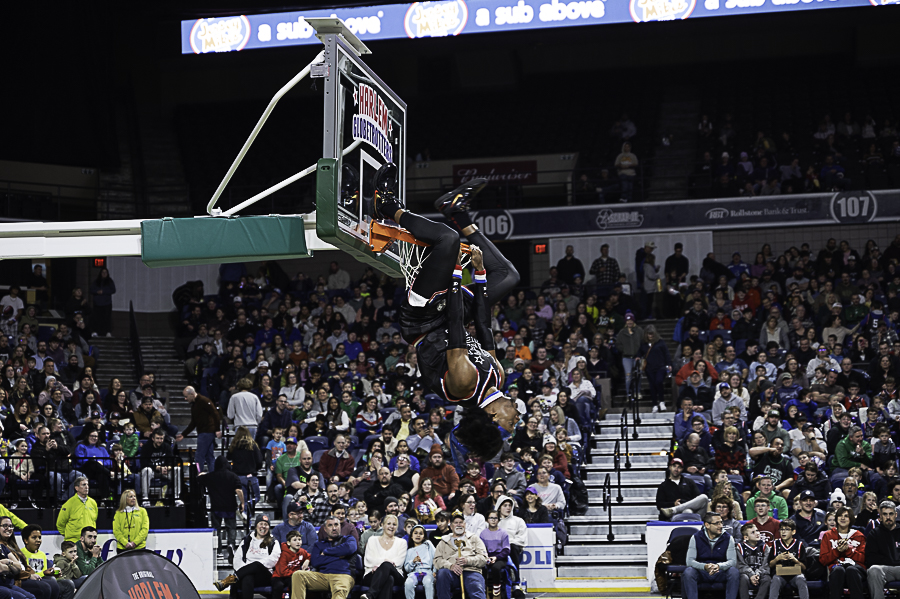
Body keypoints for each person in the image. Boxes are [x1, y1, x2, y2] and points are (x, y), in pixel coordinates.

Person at [375, 168, 522, 462]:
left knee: (447, 239)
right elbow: (483, 324)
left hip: (423, 320)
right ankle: (457, 211)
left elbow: (457, 325)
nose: (516, 418)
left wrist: (457, 273)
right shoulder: (498, 377)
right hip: (447, 317)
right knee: (507, 275)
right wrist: (479, 274)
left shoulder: (465, 384)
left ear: (493, 417)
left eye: (511, 422)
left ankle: (387, 206)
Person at [290, 516, 357, 599]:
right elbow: (315, 561)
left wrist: (326, 552)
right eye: (330, 525)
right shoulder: (319, 545)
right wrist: (339, 556)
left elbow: (349, 548)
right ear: (325, 529)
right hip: (322, 576)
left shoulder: (349, 539)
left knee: (339, 593)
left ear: (340, 526)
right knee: (298, 575)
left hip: (343, 575)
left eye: (336, 525)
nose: (334, 528)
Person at [215, 515, 281, 598]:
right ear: (256, 525)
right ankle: (236, 577)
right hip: (246, 575)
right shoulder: (247, 540)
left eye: (266, 524)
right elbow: (237, 558)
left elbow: (273, 560)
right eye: (261, 523)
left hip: (265, 575)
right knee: (248, 577)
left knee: (256, 565)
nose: (263, 526)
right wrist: (247, 569)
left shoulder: (273, 541)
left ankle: (231, 579)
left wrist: (253, 566)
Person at [682, 512, 739, 599]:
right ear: (707, 525)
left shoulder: (728, 538)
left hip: (720, 571)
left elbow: (732, 562)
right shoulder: (696, 537)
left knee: (734, 572)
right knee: (688, 572)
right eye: (717, 523)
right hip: (702, 572)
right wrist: (705, 566)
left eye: (721, 522)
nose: (720, 526)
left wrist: (718, 566)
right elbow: (689, 561)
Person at [434, 511, 488, 599]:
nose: (459, 525)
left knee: (476, 587)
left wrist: (467, 561)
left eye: (461, 522)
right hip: (451, 573)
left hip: (471, 571)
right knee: (442, 573)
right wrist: (450, 566)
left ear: (465, 524)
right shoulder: (443, 541)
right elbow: (437, 560)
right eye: (456, 523)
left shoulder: (474, 538)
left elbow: (483, 558)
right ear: (451, 526)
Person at [0, 518, 58, 599]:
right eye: (5, 526)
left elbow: (21, 565)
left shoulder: (12, 545)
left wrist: (32, 574)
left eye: (10, 526)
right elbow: (11, 570)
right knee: (45, 587)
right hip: (17, 580)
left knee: (53, 582)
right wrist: (28, 575)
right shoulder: (1, 546)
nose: (8, 528)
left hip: (23, 575)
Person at [819, 506, 866, 599]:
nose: (843, 518)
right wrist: (837, 551)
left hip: (856, 569)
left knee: (851, 570)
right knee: (838, 570)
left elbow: (864, 559)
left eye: (846, 516)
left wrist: (848, 551)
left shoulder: (859, 536)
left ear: (851, 519)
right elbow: (823, 560)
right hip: (836, 569)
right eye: (840, 515)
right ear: (836, 518)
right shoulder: (828, 535)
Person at [202, 455, 245, 550]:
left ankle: (218, 550)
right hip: (230, 507)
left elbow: (199, 480)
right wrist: (242, 503)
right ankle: (231, 545)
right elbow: (239, 490)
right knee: (231, 528)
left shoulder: (211, 476)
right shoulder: (233, 476)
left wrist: (201, 475)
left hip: (216, 507)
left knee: (216, 529)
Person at [361, 513, 408, 599]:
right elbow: (369, 560)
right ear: (382, 525)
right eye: (389, 523)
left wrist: (381, 565)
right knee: (388, 579)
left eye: (394, 524)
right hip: (371, 573)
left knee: (386, 566)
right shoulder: (372, 540)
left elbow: (399, 562)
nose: (391, 526)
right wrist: (386, 562)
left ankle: (370, 595)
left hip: (396, 574)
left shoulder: (402, 542)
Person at [177, 386, 221, 473]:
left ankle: (199, 476)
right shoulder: (194, 405)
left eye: (186, 396)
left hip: (206, 432)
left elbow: (215, 414)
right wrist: (184, 434)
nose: (185, 399)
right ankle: (212, 476)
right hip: (204, 432)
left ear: (192, 394)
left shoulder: (204, 401)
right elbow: (194, 422)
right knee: (209, 457)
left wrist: (217, 429)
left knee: (199, 456)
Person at [139, 428, 184, 507]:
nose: (159, 441)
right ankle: (145, 498)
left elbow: (172, 461)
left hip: (165, 471)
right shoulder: (147, 447)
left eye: (161, 438)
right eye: (157, 438)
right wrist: (158, 468)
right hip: (152, 471)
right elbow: (144, 463)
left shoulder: (166, 447)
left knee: (177, 469)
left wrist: (167, 468)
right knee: (146, 470)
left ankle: (177, 498)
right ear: (153, 438)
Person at [866, 500, 900, 599]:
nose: (888, 517)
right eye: (885, 514)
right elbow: (871, 558)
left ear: (896, 515)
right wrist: (891, 561)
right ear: (880, 516)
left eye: (891, 514)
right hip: (884, 569)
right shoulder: (874, 534)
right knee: (873, 570)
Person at [769, 519, 808, 599]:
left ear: (793, 532)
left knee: (801, 578)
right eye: (782, 529)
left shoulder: (799, 545)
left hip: (795, 575)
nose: (783, 532)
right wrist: (777, 558)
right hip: (779, 575)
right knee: (775, 579)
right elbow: (770, 565)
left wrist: (795, 560)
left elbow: (804, 567)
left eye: (787, 529)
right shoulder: (775, 544)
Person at [639, 325, 672, 413]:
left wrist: (669, 364)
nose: (651, 336)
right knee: (652, 385)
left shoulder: (660, 342)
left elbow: (666, 353)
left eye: (652, 334)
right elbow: (639, 353)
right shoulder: (643, 344)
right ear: (646, 334)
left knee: (659, 381)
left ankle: (661, 401)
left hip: (660, 367)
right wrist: (638, 358)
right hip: (649, 368)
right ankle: (654, 404)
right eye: (649, 334)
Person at [271, 531, 311, 599]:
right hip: (279, 576)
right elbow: (283, 572)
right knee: (278, 586)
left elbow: (308, 556)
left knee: (296, 585)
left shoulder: (302, 551)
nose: (298, 542)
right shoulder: (283, 554)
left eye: (299, 539)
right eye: (295, 540)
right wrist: (299, 573)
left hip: (292, 576)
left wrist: (307, 560)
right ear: (288, 543)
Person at [56, 478, 97, 543]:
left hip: (90, 543)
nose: (86, 487)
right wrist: (70, 536)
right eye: (83, 485)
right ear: (76, 488)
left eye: (87, 484)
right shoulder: (69, 504)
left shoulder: (93, 503)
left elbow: (94, 520)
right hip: (74, 542)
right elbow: (60, 524)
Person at [735, 523, 770, 599]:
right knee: (743, 578)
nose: (757, 533)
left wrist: (757, 573)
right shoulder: (740, 547)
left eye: (757, 531)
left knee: (767, 579)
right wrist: (751, 574)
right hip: (746, 574)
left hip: (761, 573)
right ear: (746, 537)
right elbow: (740, 565)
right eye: (753, 532)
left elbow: (766, 564)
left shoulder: (765, 547)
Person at [480, 511, 510, 599]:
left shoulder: (503, 533)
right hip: (486, 556)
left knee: (496, 568)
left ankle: (496, 592)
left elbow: (507, 550)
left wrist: (496, 557)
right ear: (487, 520)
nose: (493, 520)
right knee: (482, 568)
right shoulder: (483, 533)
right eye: (491, 518)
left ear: (498, 520)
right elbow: (481, 548)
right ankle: (484, 590)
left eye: (495, 518)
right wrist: (486, 557)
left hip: (500, 557)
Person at [404, 524, 435, 599]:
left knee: (428, 582)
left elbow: (435, 557)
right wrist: (413, 562)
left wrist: (435, 571)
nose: (418, 535)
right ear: (411, 536)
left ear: (424, 536)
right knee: (408, 583)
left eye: (420, 533)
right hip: (414, 573)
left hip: (427, 572)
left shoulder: (428, 545)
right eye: (415, 533)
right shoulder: (409, 550)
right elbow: (407, 568)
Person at [89, 268, 115, 337]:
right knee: (97, 318)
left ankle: (108, 332)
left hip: (107, 303)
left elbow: (113, 290)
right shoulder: (96, 281)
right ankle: (96, 332)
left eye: (105, 272)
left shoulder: (109, 281)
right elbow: (91, 289)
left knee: (107, 318)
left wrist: (104, 291)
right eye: (103, 272)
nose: (104, 274)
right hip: (97, 304)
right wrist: (97, 292)